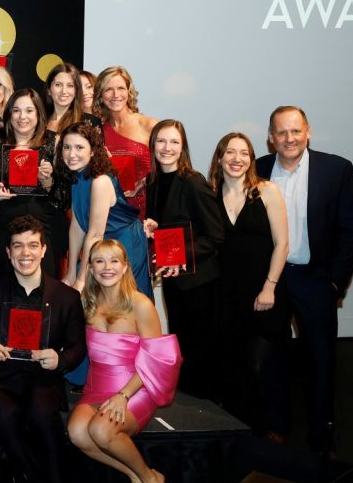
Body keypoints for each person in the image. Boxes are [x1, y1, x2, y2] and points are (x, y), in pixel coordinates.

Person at [256, 105, 353, 452]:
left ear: (308, 132)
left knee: (320, 359)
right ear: (271, 137)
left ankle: (321, 435)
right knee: (271, 357)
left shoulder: (336, 170)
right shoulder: (257, 170)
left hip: (315, 279)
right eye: (281, 132)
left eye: (296, 131)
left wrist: (335, 282)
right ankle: (277, 426)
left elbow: (351, 227)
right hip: (272, 281)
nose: (289, 138)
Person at [0, 216, 87, 483]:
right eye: (18, 246)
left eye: (33, 245)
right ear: (8, 252)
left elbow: (78, 347)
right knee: (5, 413)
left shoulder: (67, 297)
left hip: (42, 377)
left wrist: (60, 359)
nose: (25, 253)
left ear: (44, 250)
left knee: (42, 414)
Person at [68, 239, 181, 483]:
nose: (107, 267)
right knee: (77, 433)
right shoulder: (86, 303)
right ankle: (138, 475)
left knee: (101, 430)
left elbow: (157, 359)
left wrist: (124, 395)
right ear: (91, 268)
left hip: (136, 388)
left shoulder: (141, 304)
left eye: (114, 261)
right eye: (99, 261)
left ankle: (149, 479)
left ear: (125, 266)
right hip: (96, 388)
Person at [209, 133, 289, 437]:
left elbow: (282, 244)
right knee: (235, 364)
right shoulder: (210, 195)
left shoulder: (266, 191)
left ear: (251, 160)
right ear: (219, 158)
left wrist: (269, 287)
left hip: (264, 292)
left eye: (244, 153)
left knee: (264, 366)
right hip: (227, 294)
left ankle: (273, 430)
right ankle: (242, 432)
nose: (237, 159)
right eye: (230, 152)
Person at [143, 120, 226, 399]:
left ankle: (208, 406)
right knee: (182, 341)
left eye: (174, 142)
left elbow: (215, 236)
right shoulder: (153, 183)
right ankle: (190, 401)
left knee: (202, 347)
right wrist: (153, 227)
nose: (167, 148)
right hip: (174, 280)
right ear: (153, 145)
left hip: (200, 280)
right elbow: (170, 226)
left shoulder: (193, 182)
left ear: (183, 148)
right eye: (161, 141)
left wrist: (181, 255)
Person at [0, 89, 70, 279]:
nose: (22, 117)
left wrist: (47, 180)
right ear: (9, 113)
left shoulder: (53, 141)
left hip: (45, 222)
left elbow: (64, 198)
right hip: (3, 221)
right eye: (16, 110)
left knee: (45, 282)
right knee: (6, 284)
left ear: (39, 114)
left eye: (29, 110)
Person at [59, 122, 151, 298]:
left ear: (93, 151)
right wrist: (71, 274)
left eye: (79, 147)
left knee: (124, 301)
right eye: (67, 147)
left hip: (123, 243)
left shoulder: (100, 181)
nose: (71, 154)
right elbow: (77, 227)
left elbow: (95, 234)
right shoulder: (77, 177)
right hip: (100, 244)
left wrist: (81, 280)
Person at [94, 65, 157, 216]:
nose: (116, 95)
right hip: (114, 212)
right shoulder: (98, 133)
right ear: (100, 96)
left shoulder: (149, 125)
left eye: (121, 88)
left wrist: (143, 182)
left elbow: (168, 167)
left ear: (129, 91)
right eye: (109, 89)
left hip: (150, 210)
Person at [43, 62, 98, 135]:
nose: (64, 91)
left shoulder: (90, 122)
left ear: (76, 91)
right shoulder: (39, 120)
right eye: (58, 85)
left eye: (70, 85)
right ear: (49, 90)